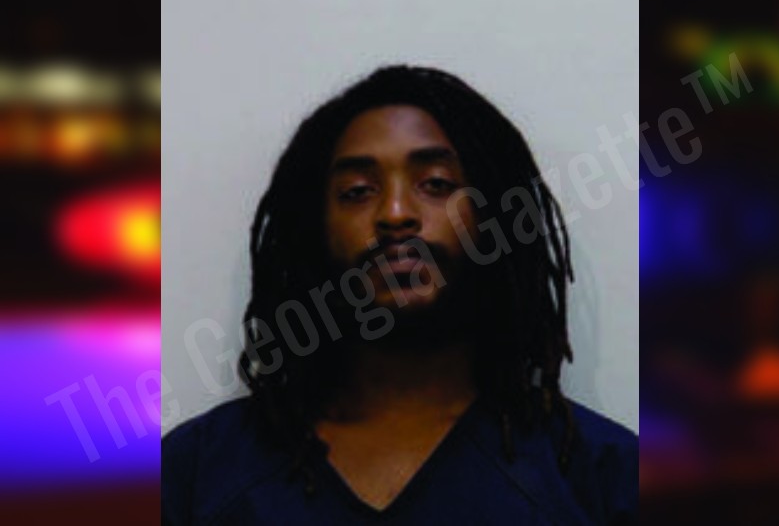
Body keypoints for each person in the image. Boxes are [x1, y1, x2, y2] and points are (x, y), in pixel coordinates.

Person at [162, 65, 638, 525]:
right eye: (357, 191)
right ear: (313, 229)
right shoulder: (196, 474)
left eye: (436, 184)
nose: (394, 213)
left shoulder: (601, 477)